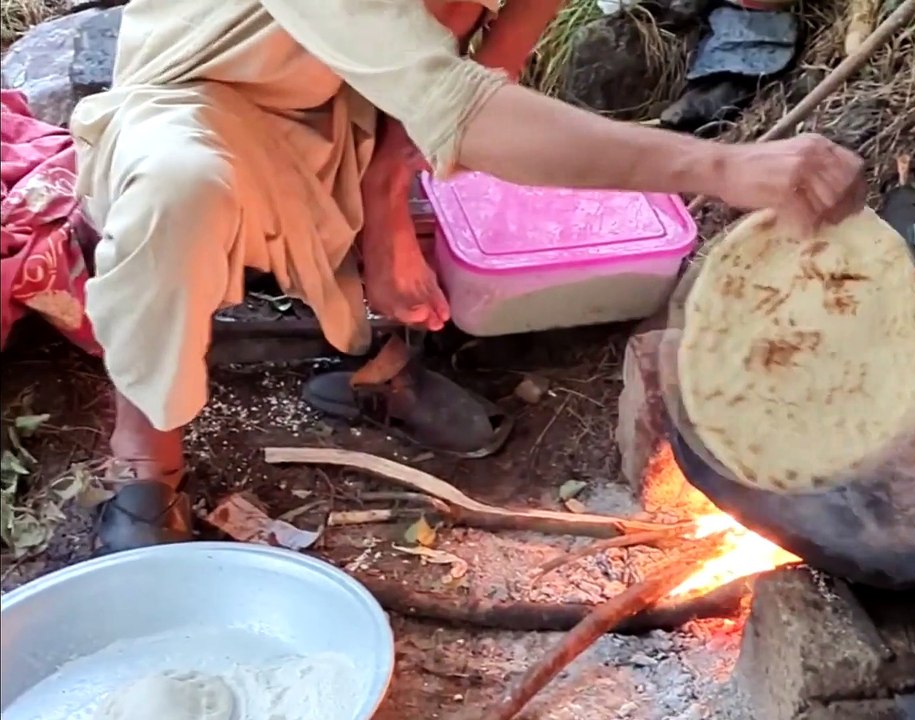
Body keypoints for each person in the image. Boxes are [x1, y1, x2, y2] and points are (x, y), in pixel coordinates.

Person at [71, 0, 869, 555]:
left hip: (358, 106)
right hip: (195, 102)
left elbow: (480, 74)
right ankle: (146, 459)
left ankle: (368, 367)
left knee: (456, 193)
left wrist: (387, 206)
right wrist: (719, 166)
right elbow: (461, 108)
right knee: (181, 189)